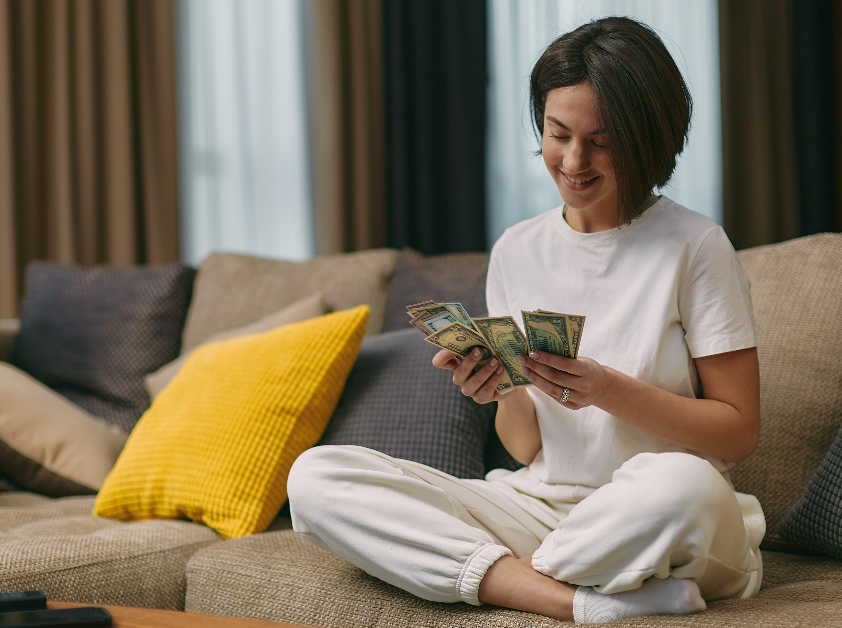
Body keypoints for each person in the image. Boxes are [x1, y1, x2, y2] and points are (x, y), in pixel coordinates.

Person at [287, 16, 764, 623]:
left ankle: (504, 574)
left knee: (682, 486)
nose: (572, 160)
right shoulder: (517, 248)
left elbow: (738, 431)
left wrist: (607, 389)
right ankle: (578, 600)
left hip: (666, 515)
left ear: (648, 135)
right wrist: (499, 390)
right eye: (557, 133)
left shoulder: (695, 246)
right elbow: (526, 446)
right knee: (316, 477)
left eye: (602, 140)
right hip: (541, 507)